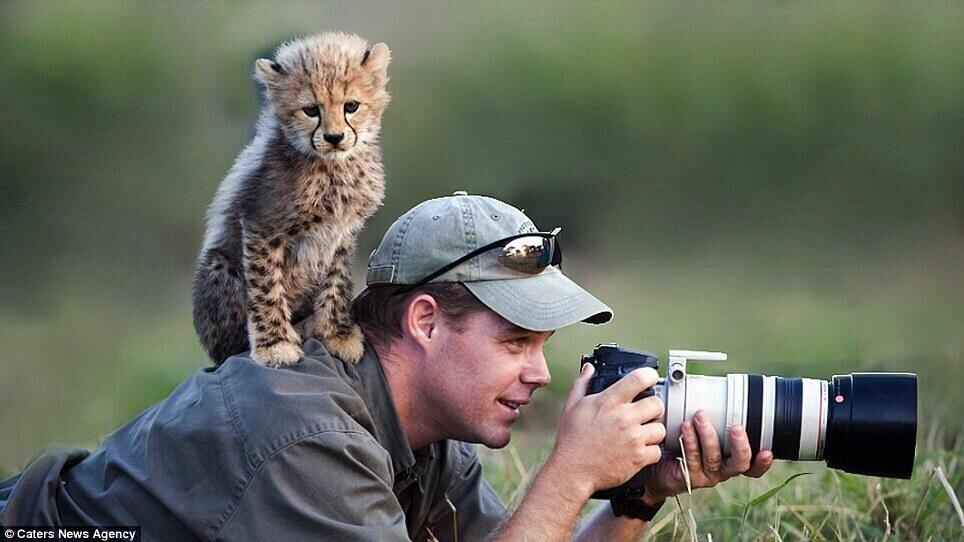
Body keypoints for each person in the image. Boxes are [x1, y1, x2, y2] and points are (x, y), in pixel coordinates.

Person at [0, 193, 772, 541]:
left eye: (541, 346)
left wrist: (632, 500)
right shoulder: (303, 430)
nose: (541, 374)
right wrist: (568, 475)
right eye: (516, 342)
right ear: (426, 320)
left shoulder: (426, 437)